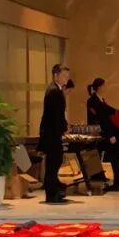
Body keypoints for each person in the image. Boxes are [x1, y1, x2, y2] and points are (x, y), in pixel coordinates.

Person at [87, 78, 119, 192]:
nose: (105, 88)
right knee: (113, 157)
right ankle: (113, 182)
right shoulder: (93, 101)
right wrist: (110, 134)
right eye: (104, 86)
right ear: (99, 87)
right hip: (107, 132)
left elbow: (108, 113)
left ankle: (115, 182)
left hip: (110, 132)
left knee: (114, 157)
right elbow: (102, 118)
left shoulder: (101, 100)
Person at [38, 64, 70, 204]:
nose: (66, 78)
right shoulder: (54, 91)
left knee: (55, 162)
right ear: (56, 75)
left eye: (67, 76)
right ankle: (51, 194)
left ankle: (55, 191)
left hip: (53, 133)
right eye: (64, 75)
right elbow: (56, 115)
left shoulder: (56, 90)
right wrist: (64, 127)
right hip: (51, 134)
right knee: (53, 164)